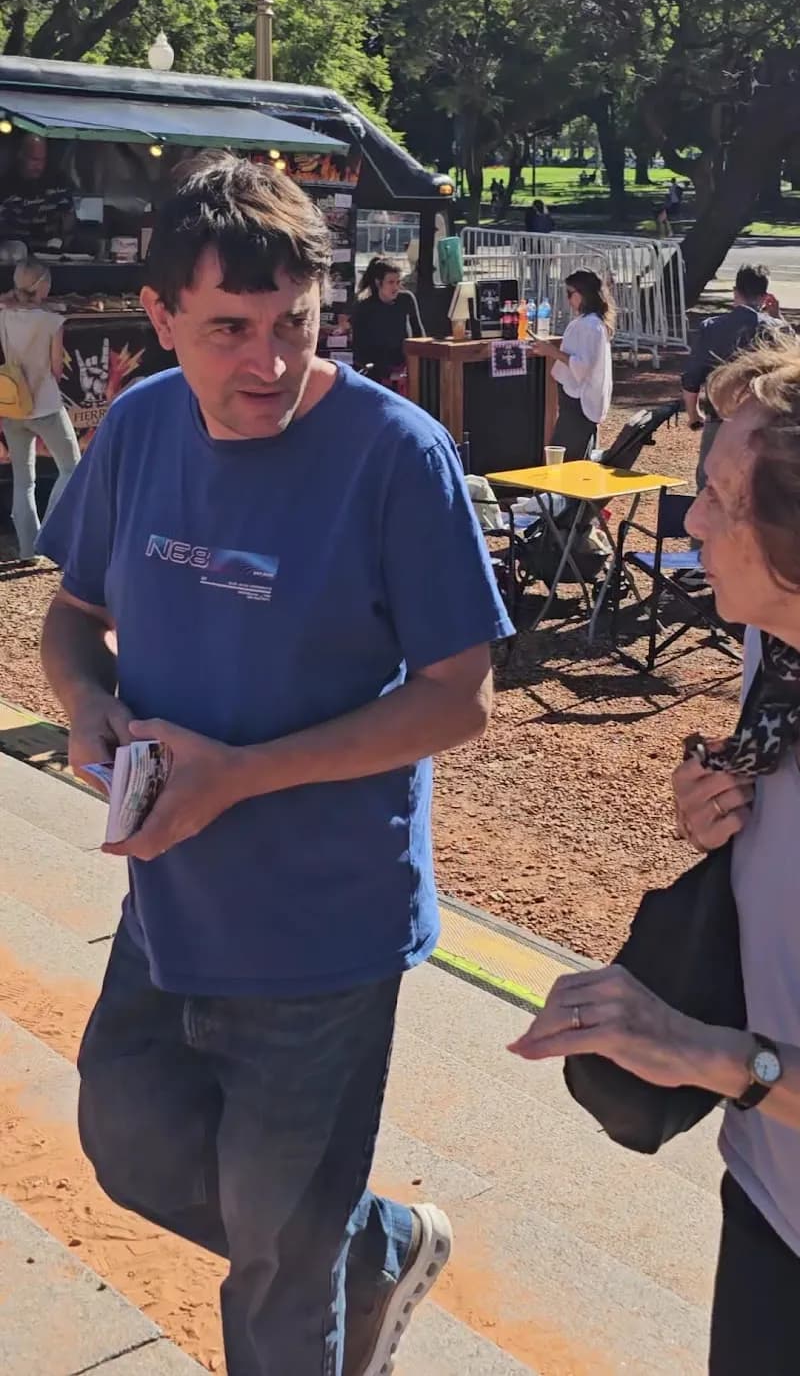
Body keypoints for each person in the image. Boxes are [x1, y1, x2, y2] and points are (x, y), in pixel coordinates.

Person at [37, 153, 513, 1376]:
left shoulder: (396, 456)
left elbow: (459, 700)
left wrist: (241, 773)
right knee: (127, 1145)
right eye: (228, 330)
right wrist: (88, 708)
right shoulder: (140, 422)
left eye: (295, 324)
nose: (269, 362)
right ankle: (366, 1244)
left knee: (273, 1285)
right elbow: (69, 616)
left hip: (323, 936)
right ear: (158, 318)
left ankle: (317, 1259)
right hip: (167, 906)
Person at [508, 333, 800, 1375]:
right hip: (769, 1190)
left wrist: (704, 1055)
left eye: (720, 497)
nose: (690, 520)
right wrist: (713, 811)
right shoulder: (774, 643)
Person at [0, 258, 80, 561]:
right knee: (72, 468)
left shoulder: (4, 315)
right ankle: (48, 536)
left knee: (23, 481)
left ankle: (26, 551)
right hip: (45, 405)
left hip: (13, 406)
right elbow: (57, 370)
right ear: (42, 286)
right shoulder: (52, 322)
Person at [682, 263, 774, 490]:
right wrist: (776, 317)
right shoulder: (777, 329)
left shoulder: (712, 327)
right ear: (765, 297)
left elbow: (692, 377)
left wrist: (694, 414)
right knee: (756, 487)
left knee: (709, 482)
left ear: (735, 292)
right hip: (762, 420)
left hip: (721, 416)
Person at [533, 269, 615, 459]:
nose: (568, 299)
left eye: (570, 294)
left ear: (583, 294)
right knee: (573, 452)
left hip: (579, 400)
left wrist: (551, 351)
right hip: (576, 398)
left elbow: (583, 365)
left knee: (565, 455)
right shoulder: (589, 323)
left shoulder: (590, 325)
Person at [351, 255, 424, 383]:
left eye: (398, 282)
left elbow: (420, 337)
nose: (395, 287)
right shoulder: (364, 308)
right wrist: (389, 375)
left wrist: (414, 368)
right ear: (378, 283)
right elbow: (360, 353)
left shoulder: (406, 299)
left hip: (407, 369)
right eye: (390, 282)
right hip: (377, 374)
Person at [0, 134, 74, 250]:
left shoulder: (58, 181)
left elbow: (68, 217)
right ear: (21, 155)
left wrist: (62, 234)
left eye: (42, 160)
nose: (38, 166)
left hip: (55, 251)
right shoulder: (5, 186)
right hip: (18, 252)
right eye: (34, 159)